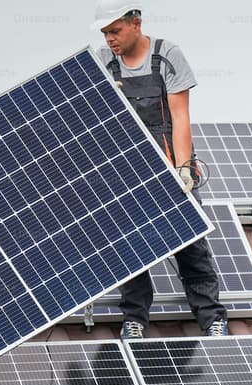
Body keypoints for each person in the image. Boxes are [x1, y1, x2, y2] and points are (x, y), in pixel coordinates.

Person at [94, 1, 229, 339]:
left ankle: (211, 317)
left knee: (190, 243)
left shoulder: (166, 54)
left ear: (135, 24)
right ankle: (135, 319)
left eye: (115, 30)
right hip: (126, 171)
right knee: (130, 244)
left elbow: (180, 115)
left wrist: (183, 169)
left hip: (169, 163)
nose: (109, 38)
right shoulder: (103, 61)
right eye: (105, 32)